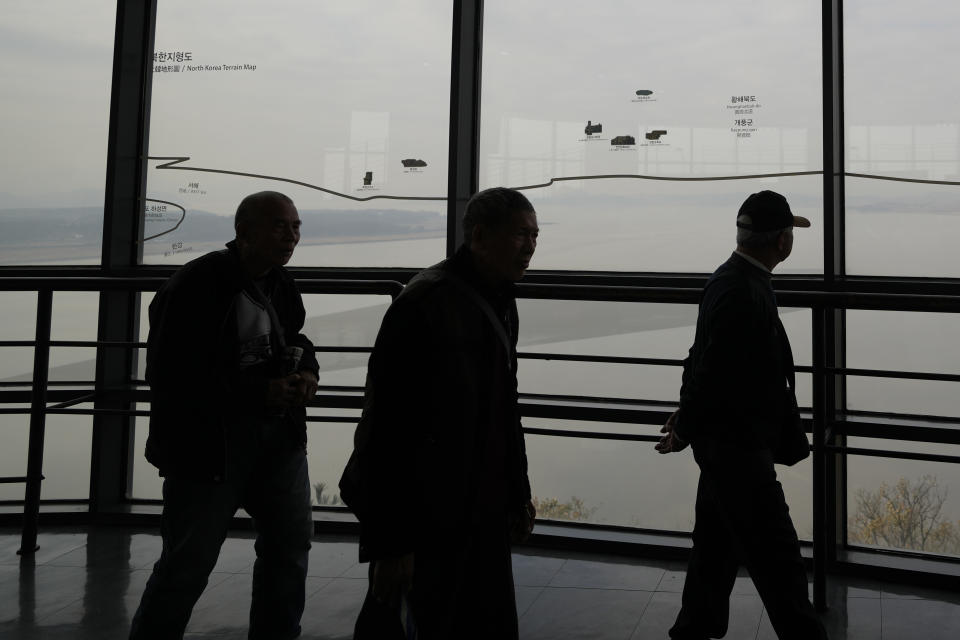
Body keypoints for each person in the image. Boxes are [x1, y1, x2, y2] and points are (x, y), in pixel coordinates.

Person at [341, 187, 539, 640]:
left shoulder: (499, 299)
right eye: (520, 235)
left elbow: (503, 408)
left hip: (477, 503)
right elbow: (386, 427)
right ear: (480, 236)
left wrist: (516, 491)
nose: (529, 247)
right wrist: (392, 543)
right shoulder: (425, 304)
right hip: (429, 512)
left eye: (534, 235)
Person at [130, 191, 320, 640]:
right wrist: (261, 391)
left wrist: (307, 370)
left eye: (295, 226)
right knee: (189, 566)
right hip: (211, 448)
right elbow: (172, 374)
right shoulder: (197, 285)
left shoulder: (277, 281)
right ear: (244, 231)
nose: (291, 235)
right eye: (279, 226)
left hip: (268, 439)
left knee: (286, 549)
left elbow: (294, 337)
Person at [656, 190, 828, 640]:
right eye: (790, 231)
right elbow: (712, 369)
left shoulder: (728, 279)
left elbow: (701, 358)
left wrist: (686, 418)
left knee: (714, 548)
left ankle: (693, 629)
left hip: (723, 443)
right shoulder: (743, 290)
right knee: (779, 558)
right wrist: (686, 424)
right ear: (781, 242)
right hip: (738, 446)